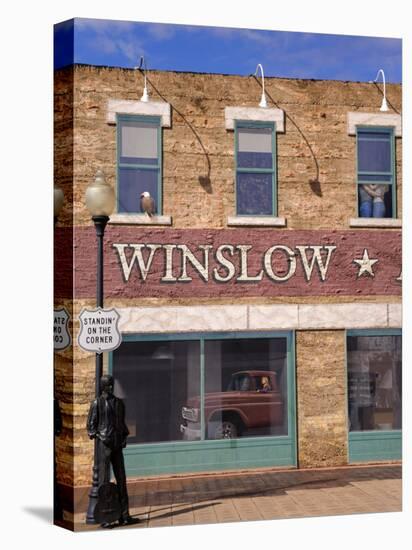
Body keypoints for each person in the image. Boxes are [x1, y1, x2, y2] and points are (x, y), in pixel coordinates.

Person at [87, 375, 137, 526]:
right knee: (104, 481)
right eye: (106, 385)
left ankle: (124, 514)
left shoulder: (119, 403)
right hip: (105, 446)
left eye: (110, 385)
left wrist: (123, 438)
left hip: (117, 445)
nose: (109, 388)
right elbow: (90, 426)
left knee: (122, 480)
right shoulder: (97, 403)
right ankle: (105, 517)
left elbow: (122, 425)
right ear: (102, 387)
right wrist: (100, 436)